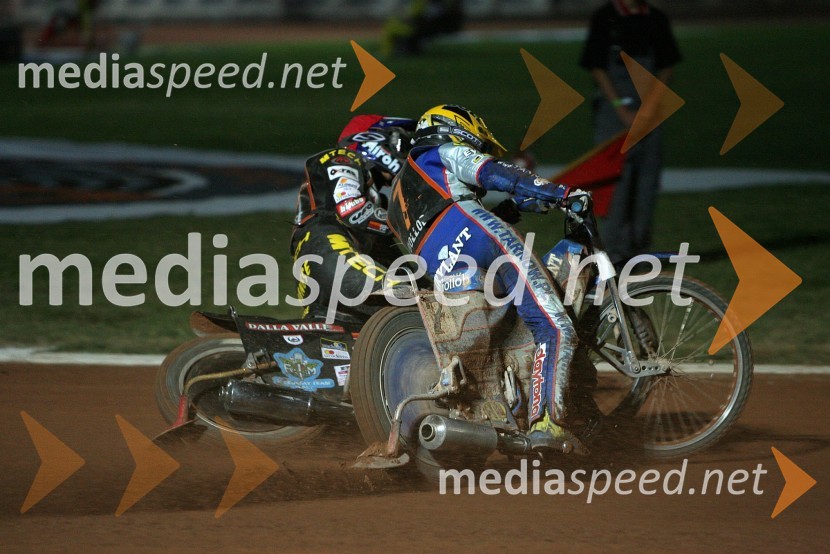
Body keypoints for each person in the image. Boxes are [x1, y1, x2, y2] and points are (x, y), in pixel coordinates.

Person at [386, 104, 593, 452]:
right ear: (457, 128)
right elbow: (495, 173)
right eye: (477, 142)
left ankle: (513, 411)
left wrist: (514, 207)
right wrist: (560, 193)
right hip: (482, 237)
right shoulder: (442, 150)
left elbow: (445, 221)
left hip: (448, 271)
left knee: (507, 339)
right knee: (554, 326)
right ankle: (547, 425)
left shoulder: (399, 192)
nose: (479, 148)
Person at [580, 0, 681, 264]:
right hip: (613, 114)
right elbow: (597, 67)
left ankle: (639, 252)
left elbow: (667, 65)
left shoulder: (656, 18)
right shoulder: (605, 17)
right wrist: (620, 108)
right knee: (617, 183)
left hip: (650, 112)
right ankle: (612, 253)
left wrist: (649, 107)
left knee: (647, 181)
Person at [291, 115, 416, 322]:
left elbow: (395, 263)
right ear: (370, 140)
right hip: (328, 249)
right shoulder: (342, 157)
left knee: (368, 327)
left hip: (314, 269)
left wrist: (429, 286)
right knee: (409, 298)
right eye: (401, 145)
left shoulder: (376, 202)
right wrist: (414, 223)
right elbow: (351, 210)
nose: (405, 157)